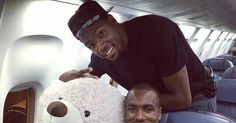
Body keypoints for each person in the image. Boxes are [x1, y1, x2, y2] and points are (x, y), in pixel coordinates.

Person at [60, 1, 216, 112]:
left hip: (197, 99)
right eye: (91, 45)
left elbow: (182, 100)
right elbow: (84, 79)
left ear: (112, 21)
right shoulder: (99, 59)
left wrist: (128, 102)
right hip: (152, 106)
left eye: (101, 33)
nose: (100, 47)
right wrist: (66, 78)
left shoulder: (157, 32)